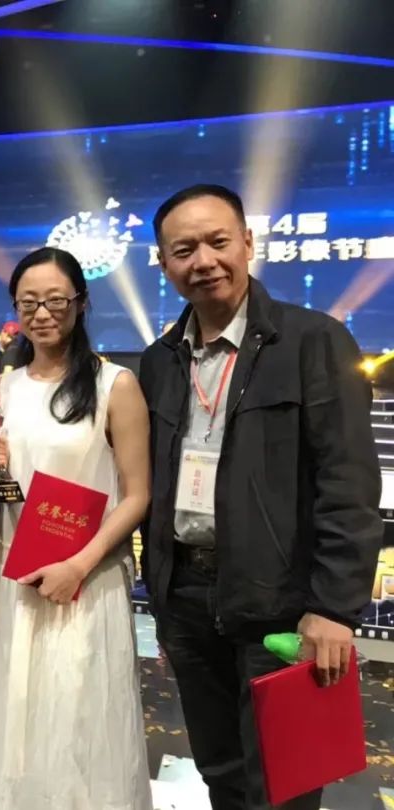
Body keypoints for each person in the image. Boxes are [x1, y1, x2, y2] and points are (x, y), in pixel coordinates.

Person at [140, 184, 383, 810]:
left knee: (285, 785)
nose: (203, 261)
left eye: (218, 242)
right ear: (163, 263)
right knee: (221, 773)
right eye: (184, 250)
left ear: (248, 243)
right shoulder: (159, 361)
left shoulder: (312, 341)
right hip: (188, 603)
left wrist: (334, 609)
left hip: (282, 605)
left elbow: (349, 484)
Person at [0, 247, 153, 809]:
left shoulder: (115, 384)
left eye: (55, 300)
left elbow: (138, 495)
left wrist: (78, 565)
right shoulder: (2, 388)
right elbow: (5, 497)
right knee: (13, 726)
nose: (42, 313)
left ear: (81, 302)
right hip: (12, 580)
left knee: (78, 725)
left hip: (85, 585)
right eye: (29, 303)